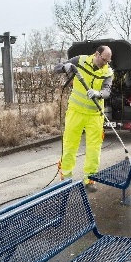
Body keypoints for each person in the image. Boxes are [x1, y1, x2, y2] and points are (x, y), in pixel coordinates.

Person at [53, 45, 113, 192]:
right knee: (70, 144)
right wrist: (65, 67)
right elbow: (56, 68)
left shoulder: (108, 71)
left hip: (95, 115)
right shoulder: (80, 60)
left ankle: (90, 179)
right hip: (76, 112)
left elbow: (107, 91)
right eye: (104, 59)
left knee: (94, 148)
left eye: (108, 61)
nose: (105, 63)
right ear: (97, 54)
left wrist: (98, 93)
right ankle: (66, 177)